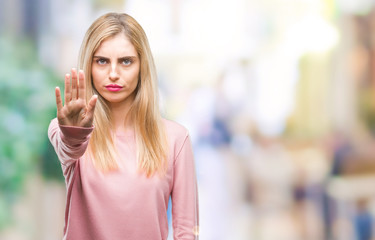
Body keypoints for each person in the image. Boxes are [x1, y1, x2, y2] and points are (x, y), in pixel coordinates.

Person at [48, 12, 199, 240]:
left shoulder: (176, 139)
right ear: (88, 66)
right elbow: (70, 147)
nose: (113, 74)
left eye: (126, 61)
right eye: (102, 61)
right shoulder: (67, 131)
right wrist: (74, 132)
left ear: (142, 66)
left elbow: (186, 231)